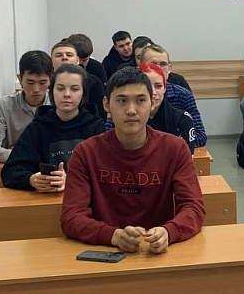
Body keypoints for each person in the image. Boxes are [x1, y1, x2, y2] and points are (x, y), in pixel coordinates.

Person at [61, 67, 205, 254]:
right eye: (122, 101)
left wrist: (169, 232)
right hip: (105, 253)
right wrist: (112, 235)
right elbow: (71, 217)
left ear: (152, 102)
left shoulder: (175, 149)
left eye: (140, 100)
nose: (131, 110)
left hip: (158, 253)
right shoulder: (85, 153)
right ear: (107, 105)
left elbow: (193, 208)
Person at [1, 64, 104, 191]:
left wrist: (72, 179)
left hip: (84, 197)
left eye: (75, 89)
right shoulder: (37, 128)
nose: (67, 94)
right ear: (51, 91)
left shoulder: (96, 128)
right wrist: (31, 179)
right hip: (46, 198)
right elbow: (10, 171)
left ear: (83, 93)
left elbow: (106, 172)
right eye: (60, 88)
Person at [0, 51, 53, 163]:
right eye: (30, 82)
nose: (36, 89)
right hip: (17, 165)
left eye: (42, 83)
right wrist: (22, 156)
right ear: (20, 79)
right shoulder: (3, 105)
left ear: (50, 80)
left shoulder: (57, 104)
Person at [139, 44, 206, 147]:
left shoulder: (183, 95)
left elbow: (200, 136)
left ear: (169, 68)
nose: (158, 68)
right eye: (153, 64)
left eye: (163, 64)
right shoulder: (130, 95)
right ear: (140, 68)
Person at [52, 40, 107, 120]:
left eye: (69, 55)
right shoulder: (45, 82)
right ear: (51, 61)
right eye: (59, 55)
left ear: (77, 60)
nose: (64, 58)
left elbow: (101, 114)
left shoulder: (93, 82)